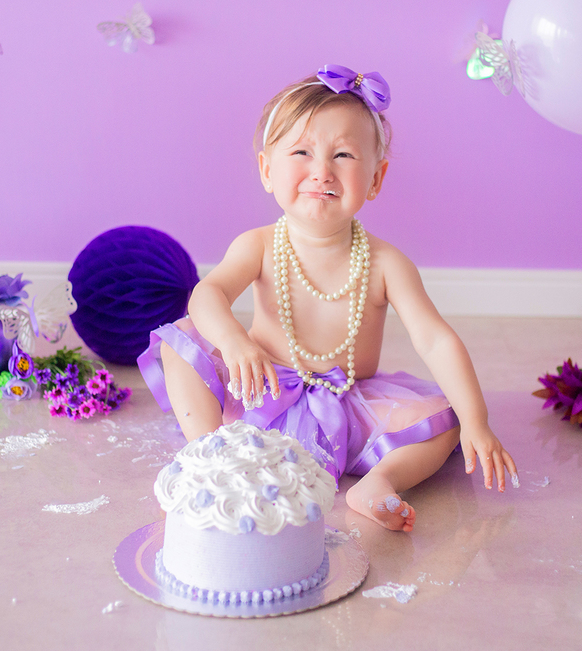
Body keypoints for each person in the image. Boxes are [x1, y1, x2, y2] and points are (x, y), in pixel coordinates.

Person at [137, 65, 517, 532]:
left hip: (346, 403)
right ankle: (210, 453)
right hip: (259, 389)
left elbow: (434, 340)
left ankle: (379, 482)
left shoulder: (385, 262)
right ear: (266, 170)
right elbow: (207, 294)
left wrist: (477, 420)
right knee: (182, 343)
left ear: (376, 179)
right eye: (301, 151)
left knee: (447, 419)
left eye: (343, 155)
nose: (321, 171)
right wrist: (235, 342)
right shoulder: (257, 244)